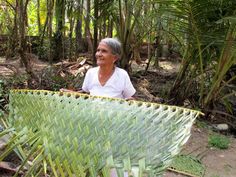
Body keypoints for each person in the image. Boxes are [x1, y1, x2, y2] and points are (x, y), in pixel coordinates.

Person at [61, 38, 136, 99]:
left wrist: (131, 102)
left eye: (104, 51)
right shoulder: (91, 73)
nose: (99, 54)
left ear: (115, 58)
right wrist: (71, 94)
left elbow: (130, 98)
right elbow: (86, 94)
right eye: (98, 50)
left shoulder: (122, 75)